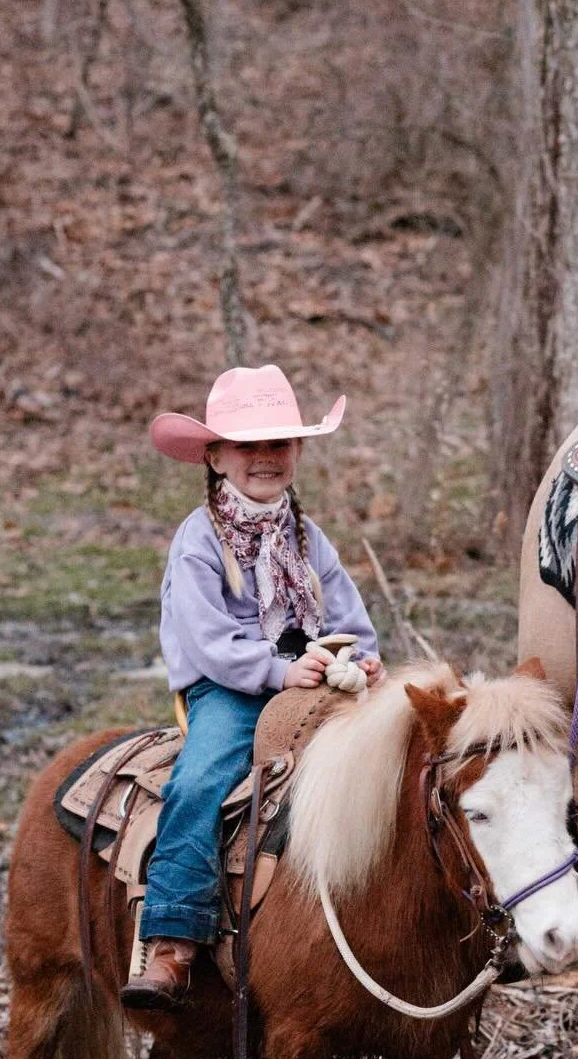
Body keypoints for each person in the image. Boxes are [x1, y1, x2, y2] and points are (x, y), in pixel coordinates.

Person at [121, 364, 384, 1009]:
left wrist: (365, 659)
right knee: (203, 777)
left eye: (280, 445)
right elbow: (207, 638)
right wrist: (275, 671)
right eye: (248, 446)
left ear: (297, 452)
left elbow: (348, 614)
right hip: (230, 689)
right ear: (214, 456)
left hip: (313, 681)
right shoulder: (199, 541)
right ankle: (172, 937)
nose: (265, 458)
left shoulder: (306, 536)